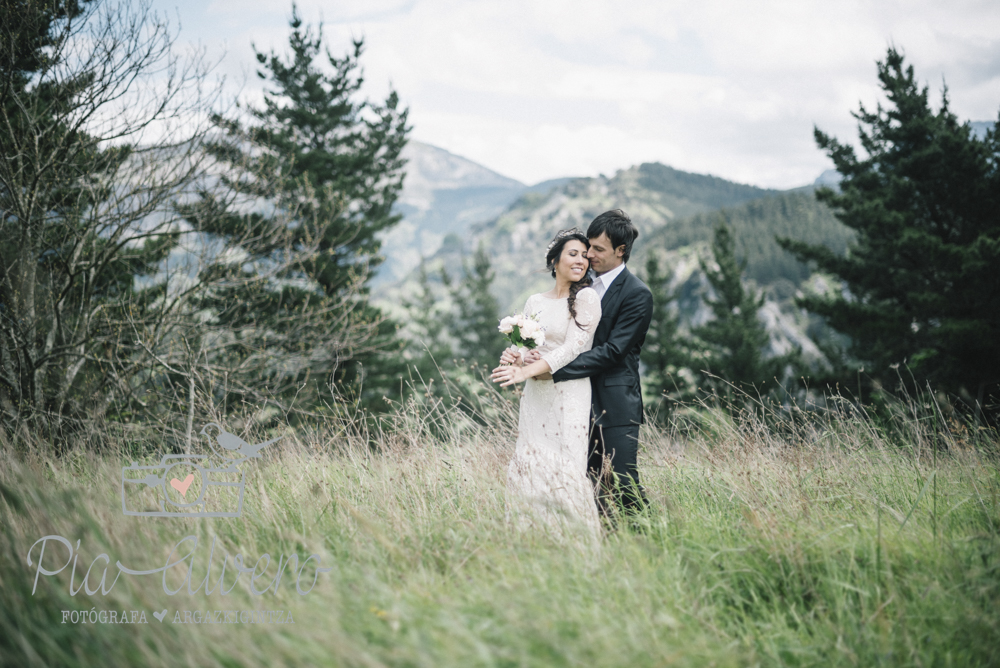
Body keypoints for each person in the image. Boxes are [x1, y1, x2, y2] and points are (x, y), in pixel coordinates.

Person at [505, 209, 653, 522]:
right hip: (573, 401)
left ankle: (650, 541)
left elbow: (613, 351)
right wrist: (526, 353)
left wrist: (550, 370)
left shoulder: (637, 294)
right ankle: (602, 544)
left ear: (620, 251)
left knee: (623, 482)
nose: (590, 256)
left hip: (614, 403)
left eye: (597, 250)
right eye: (587, 249)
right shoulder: (580, 287)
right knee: (583, 481)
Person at [490, 229, 602, 539]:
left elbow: (572, 349)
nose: (581, 260)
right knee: (530, 462)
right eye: (573, 254)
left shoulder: (586, 298)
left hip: (569, 394)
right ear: (555, 261)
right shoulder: (534, 301)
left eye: (584, 255)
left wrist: (525, 372)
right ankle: (530, 540)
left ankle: (575, 544)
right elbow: (526, 350)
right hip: (536, 397)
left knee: (565, 467)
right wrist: (515, 357)